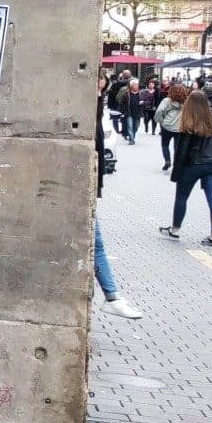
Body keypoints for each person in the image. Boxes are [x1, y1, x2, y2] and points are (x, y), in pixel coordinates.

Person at [163, 88, 212, 246]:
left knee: (182, 197)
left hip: (193, 164)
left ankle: (176, 229)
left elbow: (182, 151)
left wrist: (177, 172)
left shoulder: (189, 123)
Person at [94, 110, 141, 319]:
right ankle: (112, 297)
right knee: (96, 246)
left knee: (97, 246)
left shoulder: (95, 115)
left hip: (88, 194)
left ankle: (112, 296)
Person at [155, 82, 186, 171]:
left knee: (165, 144)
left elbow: (159, 111)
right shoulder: (186, 102)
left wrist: (160, 121)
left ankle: (167, 160)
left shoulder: (167, 101)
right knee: (178, 147)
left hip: (167, 126)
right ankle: (176, 163)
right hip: (180, 127)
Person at [105, 73, 135, 142]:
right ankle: (122, 131)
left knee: (115, 118)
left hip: (114, 104)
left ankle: (117, 130)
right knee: (122, 119)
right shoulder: (120, 84)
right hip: (119, 104)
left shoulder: (114, 85)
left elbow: (109, 92)